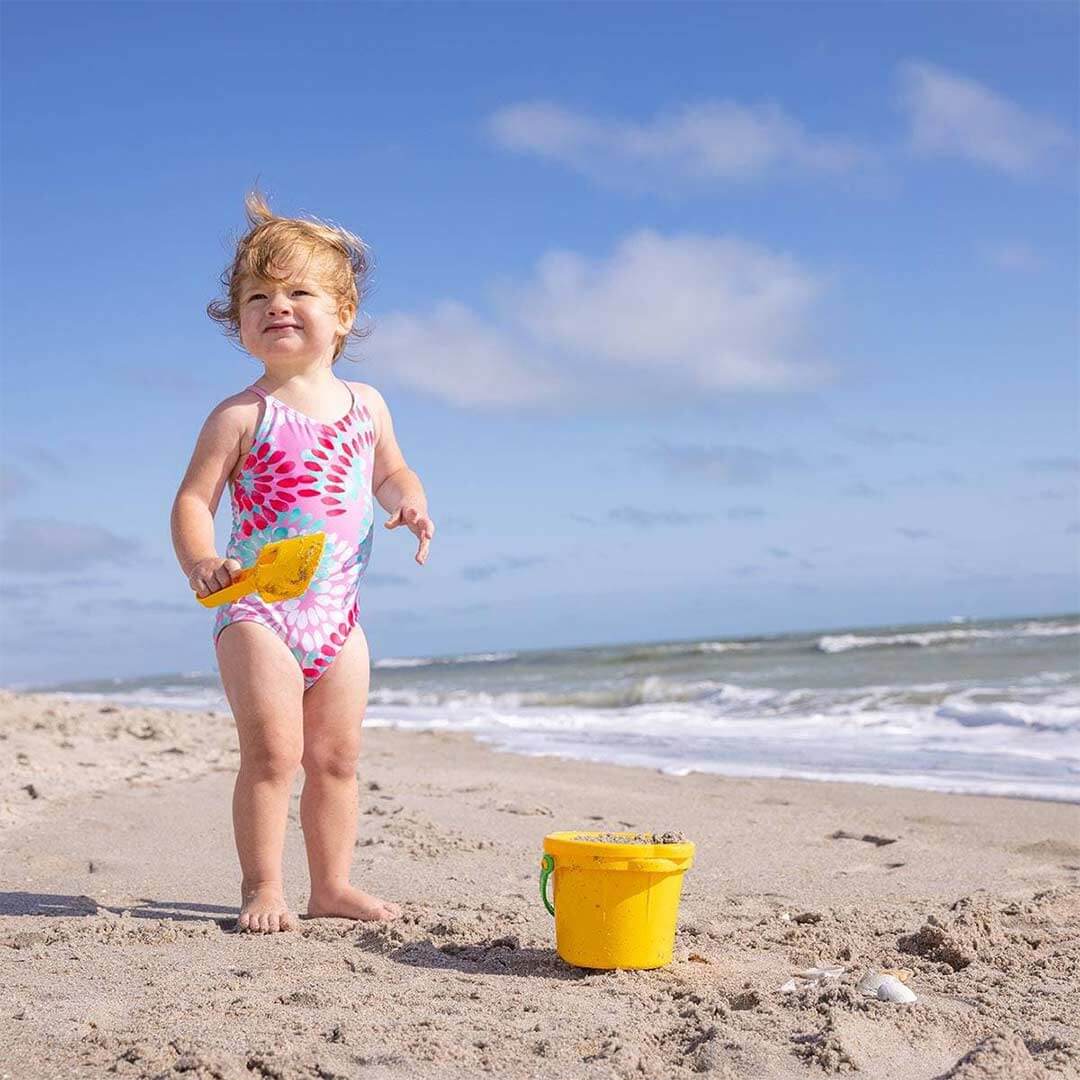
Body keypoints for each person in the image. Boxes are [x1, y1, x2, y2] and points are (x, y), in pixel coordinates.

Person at [170, 190, 434, 933]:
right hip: (257, 608)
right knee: (273, 753)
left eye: (299, 292)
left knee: (337, 758)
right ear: (240, 324)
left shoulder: (367, 405)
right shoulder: (241, 414)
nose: (276, 305)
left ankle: (332, 886)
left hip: (337, 616)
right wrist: (201, 561)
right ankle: (263, 885)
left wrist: (409, 498)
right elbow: (193, 501)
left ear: (343, 314)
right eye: (258, 296)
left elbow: (390, 472)